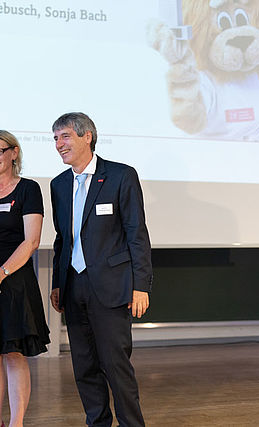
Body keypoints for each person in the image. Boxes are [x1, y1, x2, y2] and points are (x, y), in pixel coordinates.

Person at [49, 112, 153, 427]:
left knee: (116, 365)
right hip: (74, 286)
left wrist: (141, 286)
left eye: (65, 136)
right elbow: (61, 239)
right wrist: (57, 282)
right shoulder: (59, 184)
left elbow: (137, 233)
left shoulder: (121, 176)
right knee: (84, 366)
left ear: (87, 136)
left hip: (112, 287)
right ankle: (97, 422)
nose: (59, 144)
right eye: (55, 138)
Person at [0, 130, 50, 427]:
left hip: (14, 279)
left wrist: (1, 273)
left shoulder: (28, 189)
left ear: (14, 153)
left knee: (13, 353)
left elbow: (31, 241)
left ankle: (16, 422)